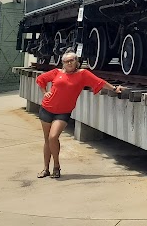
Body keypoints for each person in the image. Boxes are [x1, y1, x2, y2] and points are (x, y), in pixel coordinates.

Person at [35, 50, 123, 179]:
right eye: (66, 61)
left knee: (53, 137)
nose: (69, 63)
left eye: (71, 60)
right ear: (63, 63)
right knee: (47, 140)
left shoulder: (83, 74)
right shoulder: (57, 72)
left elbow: (99, 82)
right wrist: (44, 92)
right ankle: (45, 169)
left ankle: (56, 166)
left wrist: (114, 88)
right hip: (46, 108)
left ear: (76, 62)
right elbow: (40, 79)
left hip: (63, 112)